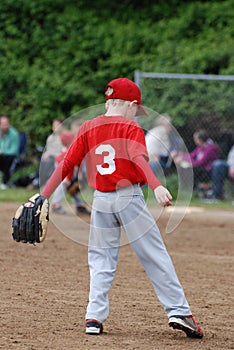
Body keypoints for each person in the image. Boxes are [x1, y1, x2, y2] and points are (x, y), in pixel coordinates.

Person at [41, 78, 203, 338]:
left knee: (101, 260)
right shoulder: (130, 126)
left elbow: (67, 164)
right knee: (154, 255)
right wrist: (157, 185)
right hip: (129, 198)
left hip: (101, 201)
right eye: (136, 108)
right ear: (130, 104)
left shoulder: (88, 126)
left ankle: (93, 317)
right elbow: (137, 157)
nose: (136, 113)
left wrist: (42, 196)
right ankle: (179, 311)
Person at [51, 130, 91, 217]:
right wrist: (67, 179)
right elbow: (68, 167)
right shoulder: (66, 152)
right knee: (63, 185)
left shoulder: (73, 149)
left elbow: (79, 163)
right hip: (62, 171)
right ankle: (55, 204)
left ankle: (79, 205)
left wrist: (78, 176)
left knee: (72, 187)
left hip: (69, 171)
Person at [39, 118, 66, 187]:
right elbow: (48, 149)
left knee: (50, 160)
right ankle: (42, 181)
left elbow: (64, 150)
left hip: (60, 158)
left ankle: (47, 181)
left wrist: (50, 153)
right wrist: (47, 154)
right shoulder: (51, 138)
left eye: (57, 125)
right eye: (54, 125)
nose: (55, 127)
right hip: (51, 157)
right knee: (43, 160)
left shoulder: (65, 137)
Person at [0, 115, 20, 189]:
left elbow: (14, 151)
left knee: (7, 159)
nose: (6, 126)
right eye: (4, 124)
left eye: (7, 124)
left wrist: (3, 152)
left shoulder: (14, 134)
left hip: (11, 157)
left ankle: (5, 182)